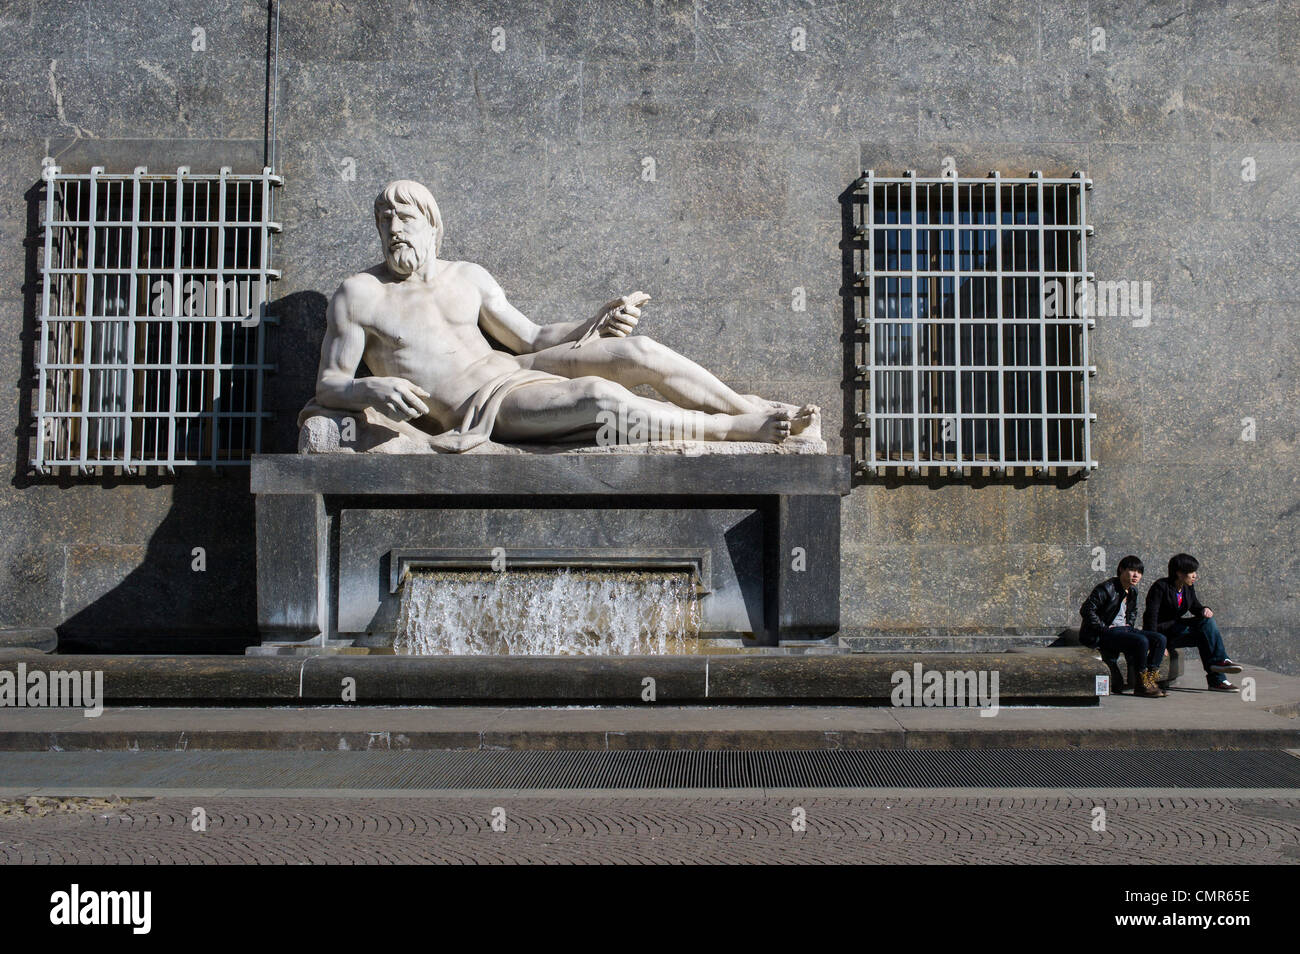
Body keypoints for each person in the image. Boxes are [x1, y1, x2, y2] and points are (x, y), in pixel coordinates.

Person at [306, 179, 819, 450]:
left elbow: (530, 337)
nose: (394, 227)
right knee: (598, 396)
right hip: (477, 408)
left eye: (406, 216)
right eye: (384, 218)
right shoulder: (360, 294)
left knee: (634, 352)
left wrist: (593, 322)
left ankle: (736, 406)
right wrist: (365, 389)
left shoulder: (467, 276)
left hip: (519, 370)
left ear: (432, 225)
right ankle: (735, 431)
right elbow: (329, 383)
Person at [1143, 554, 1241, 692]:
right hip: (1163, 633)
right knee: (1205, 630)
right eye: (1191, 572)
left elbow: (1195, 606)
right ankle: (1219, 667)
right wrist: (1155, 641)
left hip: (1176, 630)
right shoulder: (1161, 587)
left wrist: (1205, 610)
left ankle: (1217, 680)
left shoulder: (1187, 588)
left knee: (1206, 628)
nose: (1195, 576)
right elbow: (1150, 616)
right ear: (1179, 572)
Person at [1079, 555, 1167, 698]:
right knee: (1141, 641)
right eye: (1132, 570)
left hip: (1123, 630)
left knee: (1160, 639)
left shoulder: (1132, 591)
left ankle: (1149, 681)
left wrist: (1130, 625)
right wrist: (1103, 628)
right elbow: (1087, 610)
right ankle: (1141, 685)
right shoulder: (1107, 588)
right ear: (1121, 570)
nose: (1136, 575)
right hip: (1104, 633)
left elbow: (1132, 611)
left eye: (1139, 572)